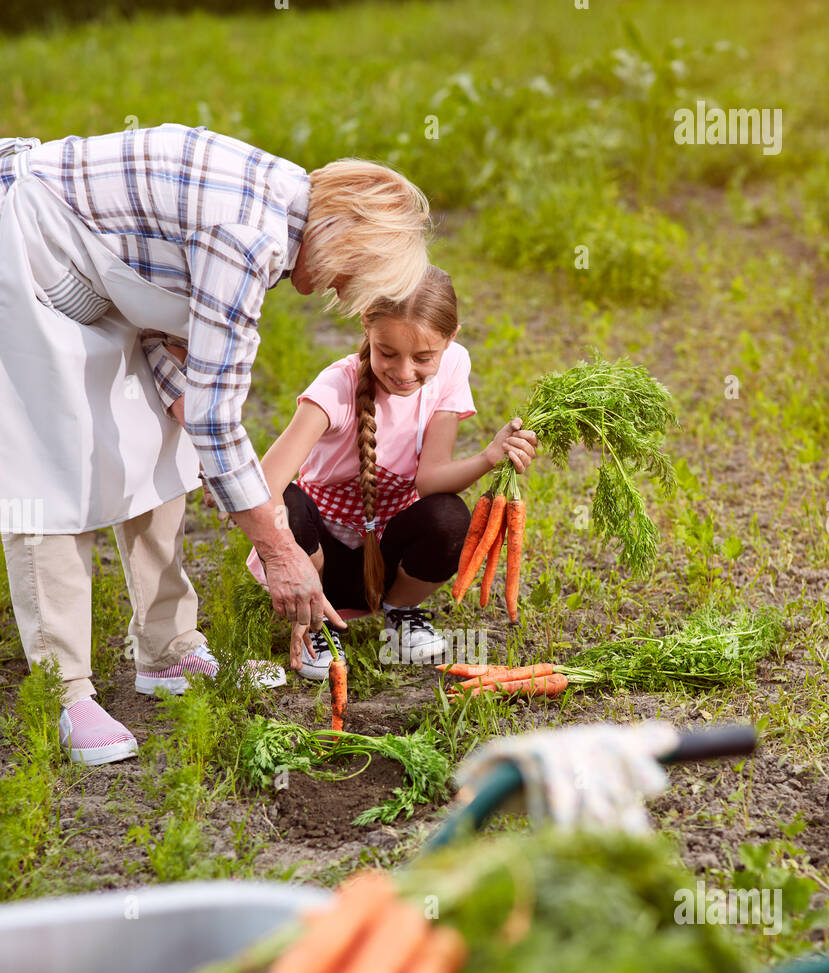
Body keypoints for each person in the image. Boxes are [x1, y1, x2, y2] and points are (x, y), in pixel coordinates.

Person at [0, 123, 430, 764]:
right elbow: (215, 412)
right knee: (50, 472)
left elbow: (163, 321)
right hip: (23, 248)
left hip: (93, 276)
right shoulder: (248, 240)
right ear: (343, 235)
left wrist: (182, 408)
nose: (346, 294)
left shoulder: (284, 204)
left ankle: (165, 650)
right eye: (354, 276)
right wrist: (276, 545)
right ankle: (65, 693)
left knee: (160, 442)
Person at [244, 266, 537, 675]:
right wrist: (290, 566)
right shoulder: (335, 388)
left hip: (383, 560)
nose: (403, 372)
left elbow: (430, 479)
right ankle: (317, 622)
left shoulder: (453, 366)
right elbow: (262, 485)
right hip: (318, 560)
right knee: (288, 503)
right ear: (366, 326)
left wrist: (490, 456)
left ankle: (400, 612)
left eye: (422, 358)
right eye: (387, 353)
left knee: (449, 515)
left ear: (450, 339)